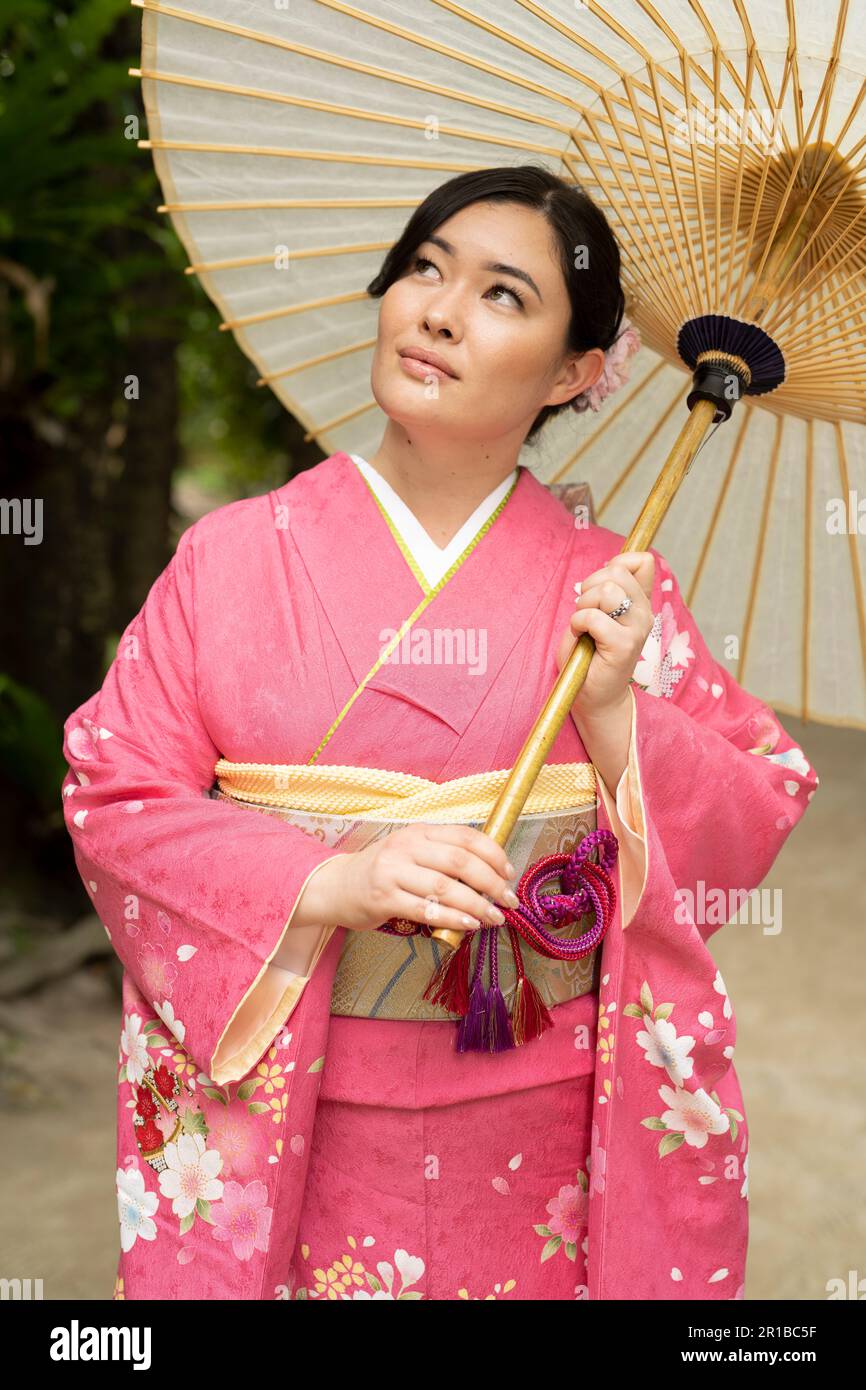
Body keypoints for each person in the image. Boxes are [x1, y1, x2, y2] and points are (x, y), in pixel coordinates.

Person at [61, 165, 818, 1301]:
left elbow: (755, 801)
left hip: (534, 1139)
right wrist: (326, 879)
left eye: (503, 294)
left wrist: (616, 717)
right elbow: (115, 793)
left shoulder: (610, 592)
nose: (439, 311)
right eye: (425, 266)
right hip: (295, 1114)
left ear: (573, 371)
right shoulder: (226, 559)